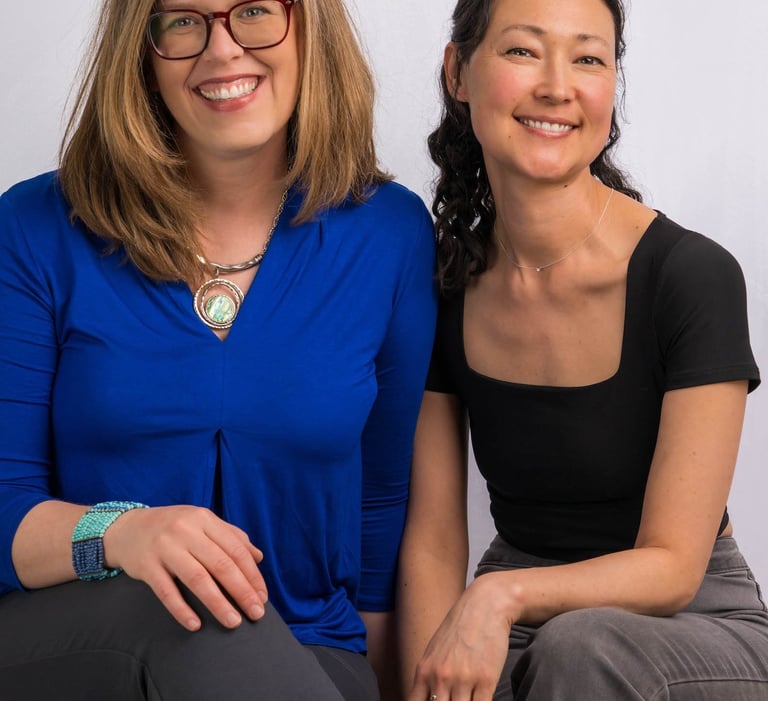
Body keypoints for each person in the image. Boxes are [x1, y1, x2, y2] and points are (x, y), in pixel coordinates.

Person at [0, 1, 437, 699]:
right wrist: (124, 533)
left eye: (256, 11)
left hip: (310, 648)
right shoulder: (33, 229)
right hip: (83, 646)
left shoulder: (391, 234)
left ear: (310, 26)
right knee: (187, 608)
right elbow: (4, 503)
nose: (223, 49)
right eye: (183, 21)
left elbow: (379, 508)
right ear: (140, 51)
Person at [397, 0, 768, 699]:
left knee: (581, 646)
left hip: (697, 620)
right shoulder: (445, 283)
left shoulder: (689, 276)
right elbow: (434, 540)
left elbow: (673, 564)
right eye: (523, 51)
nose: (557, 85)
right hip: (526, 616)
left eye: (589, 58)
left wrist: (497, 598)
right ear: (459, 72)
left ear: (611, 86)